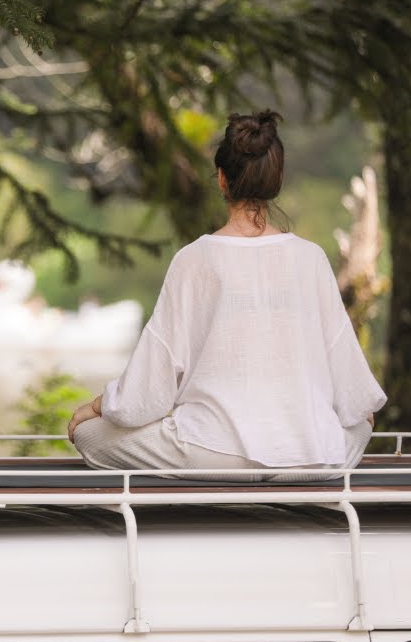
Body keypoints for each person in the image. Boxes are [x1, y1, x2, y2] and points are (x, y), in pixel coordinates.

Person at [66, 110, 386, 481]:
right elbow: (354, 389)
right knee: (360, 423)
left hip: (214, 457)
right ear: (277, 179)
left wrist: (98, 406)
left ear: (221, 179)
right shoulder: (311, 258)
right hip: (312, 460)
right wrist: (356, 414)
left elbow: (148, 387)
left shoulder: (194, 258)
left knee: (91, 435)